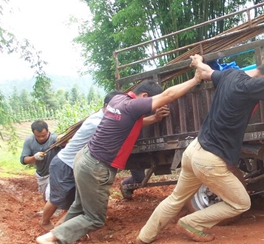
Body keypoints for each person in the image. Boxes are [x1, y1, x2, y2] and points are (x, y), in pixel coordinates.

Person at [135, 31, 264, 244]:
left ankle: (144, 237)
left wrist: (197, 62)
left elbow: (206, 72)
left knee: (176, 198)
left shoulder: (230, 75)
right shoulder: (251, 86)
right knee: (241, 204)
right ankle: (192, 222)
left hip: (193, 150)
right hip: (210, 160)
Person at [35, 73, 200, 244]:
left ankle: (58, 236)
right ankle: (49, 238)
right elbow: (169, 95)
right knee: (95, 218)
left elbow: (130, 122)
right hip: (96, 167)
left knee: (79, 206)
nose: (150, 109)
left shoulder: (118, 100)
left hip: (84, 159)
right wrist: (196, 79)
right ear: (144, 96)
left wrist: (153, 118)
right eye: (150, 105)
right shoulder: (132, 106)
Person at [38, 92, 169, 230]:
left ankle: (62, 228)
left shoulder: (107, 118)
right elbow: (127, 125)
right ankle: (45, 222)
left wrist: (154, 118)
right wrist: (154, 118)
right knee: (57, 198)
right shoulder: (98, 122)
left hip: (79, 163)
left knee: (80, 200)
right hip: (65, 163)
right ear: (107, 106)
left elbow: (128, 123)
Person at [20, 120, 59, 201]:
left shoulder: (55, 139)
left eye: (44, 135)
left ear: (48, 131)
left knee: (52, 195)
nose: (41, 138)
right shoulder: (29, 141)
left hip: (56, 173)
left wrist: (64, 141)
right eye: (38, 136)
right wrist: (34, 157)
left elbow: (66, 146)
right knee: (45, 196)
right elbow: (24, 160)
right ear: (33, 133)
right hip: (42, 175)